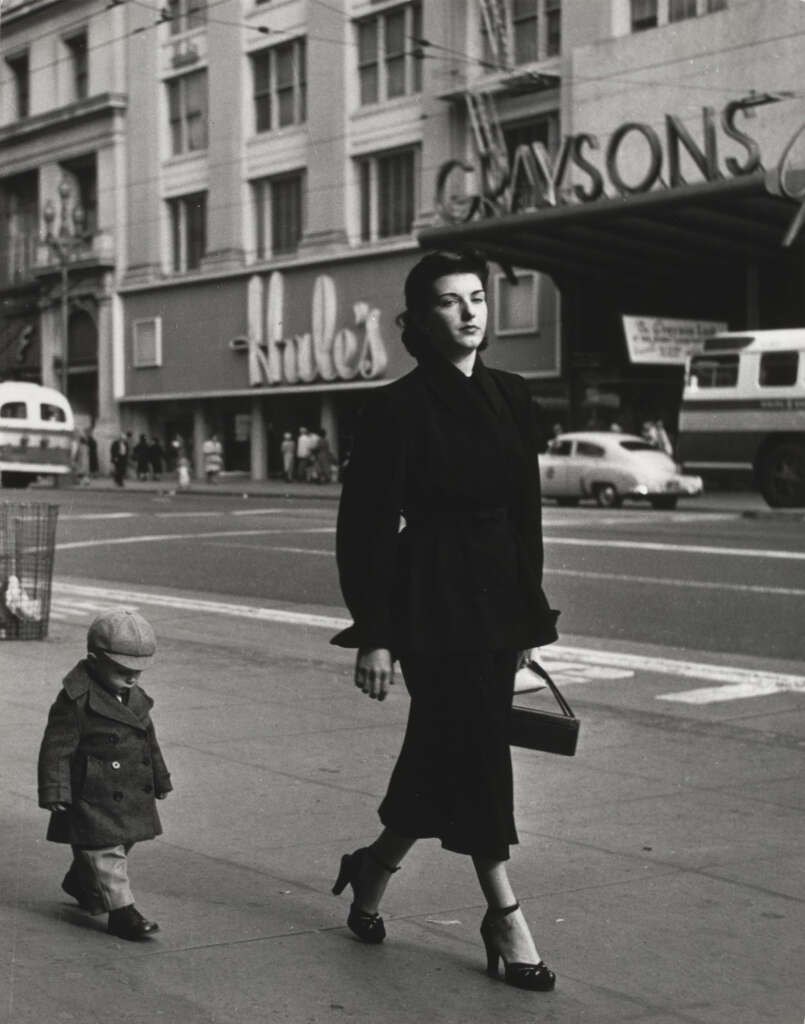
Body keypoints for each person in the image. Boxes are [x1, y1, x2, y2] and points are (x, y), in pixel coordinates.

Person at [332, 250, 559, 992]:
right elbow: (363, 526)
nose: (469, 312)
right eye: (449, 302)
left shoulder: (513, 396)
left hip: (496, 600)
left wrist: (529, 615)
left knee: (445, 748)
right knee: (477, 748)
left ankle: (371, 871)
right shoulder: (396, 409)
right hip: (427, 599)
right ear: (418, 320)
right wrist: (373, 631)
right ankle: (504, 912)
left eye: (476, 299)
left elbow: (525, 516)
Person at [37, 608, 172, 941]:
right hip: (92, 793)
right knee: (105, 849)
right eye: (123, 671)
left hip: (126, 790)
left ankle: (81, 881)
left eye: (138, 672)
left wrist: (160, 777)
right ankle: (122, 913)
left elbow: (147, 741)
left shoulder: (134, 697)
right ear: (94, 660)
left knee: (122, 841)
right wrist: (55, 789)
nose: (132, 678)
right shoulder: (76, 699)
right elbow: (56, 748)